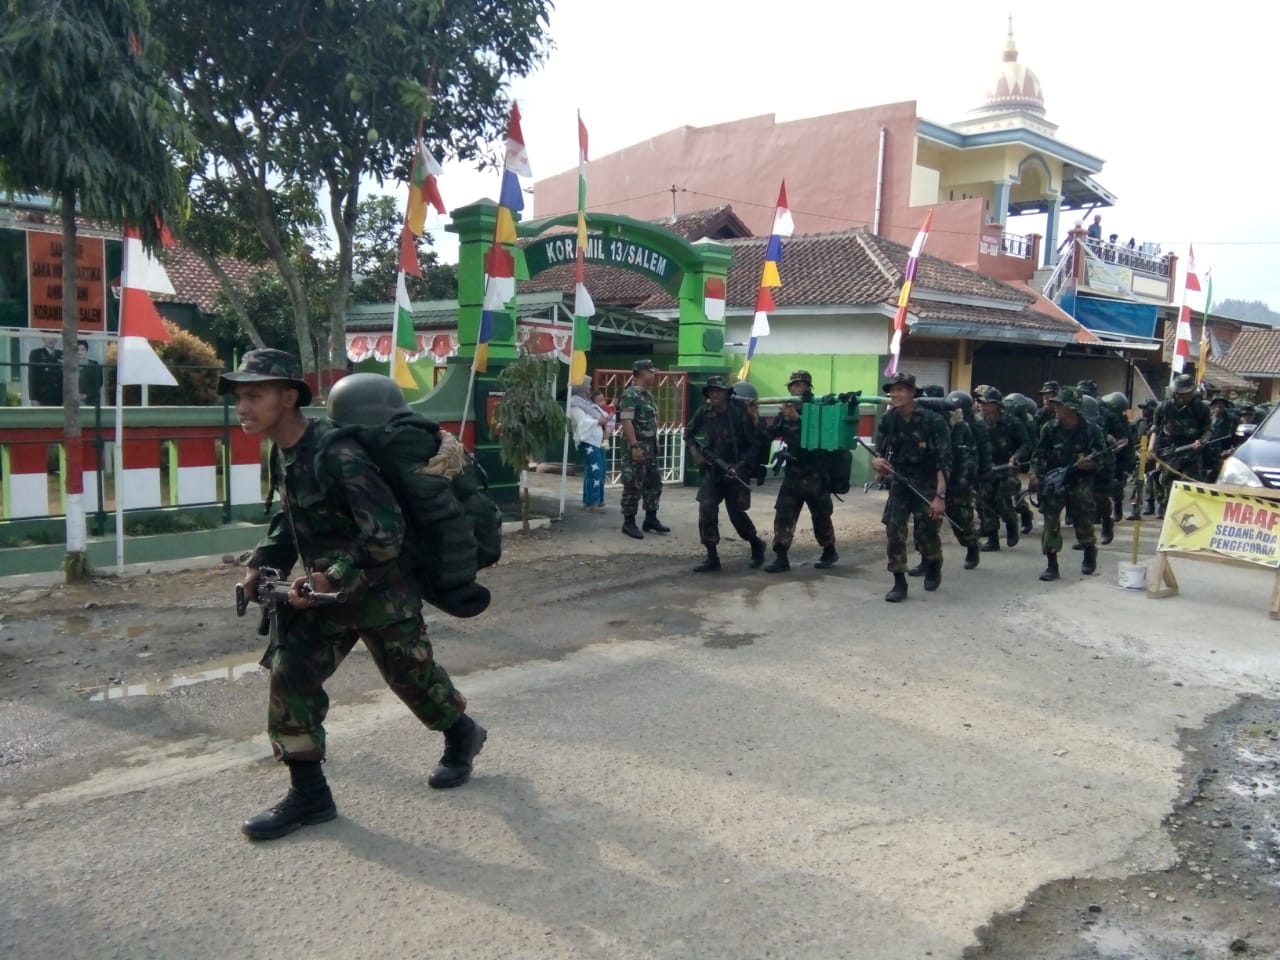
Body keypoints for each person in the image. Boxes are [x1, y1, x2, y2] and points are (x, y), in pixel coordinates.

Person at [222, 349, 485, 842]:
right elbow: (292, 518)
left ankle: (462, 734)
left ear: (288, 397)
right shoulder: (287, 452)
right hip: (324, 598)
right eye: (239, 397)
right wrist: (264, 562)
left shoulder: (339, 454)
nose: (244, 406)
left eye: (254, 395)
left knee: (414, 680)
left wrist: (333, 575)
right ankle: (310, 796)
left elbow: (387, 532)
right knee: (291, 675)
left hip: (380, 592)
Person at [872, 371, 950, 602]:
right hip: (900, 480)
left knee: (926, 531)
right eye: (892, 390)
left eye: (901, 389)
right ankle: (899, 582)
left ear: (912, 392)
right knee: (894, 530)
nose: (895, 394)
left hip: (928, 481)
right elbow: (880, 452)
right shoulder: (889, 420)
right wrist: (878, 463)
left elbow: (944, 462)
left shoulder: (933, 421)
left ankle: (933, 561)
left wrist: (940, 497)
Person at [685, 375, 765, 572]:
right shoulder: (704, 412)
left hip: (737, 470)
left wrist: (739, 467)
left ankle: (756, 544)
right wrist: (696, 453)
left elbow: (754, 445)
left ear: (727, 394)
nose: (715, 395)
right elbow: (688, 433)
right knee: (706, 507)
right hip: (713, 470)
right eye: (712, 391)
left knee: (736, 514)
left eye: (719, 391)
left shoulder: (738, 414)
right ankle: (712, 556)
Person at [762, 370, 837, 573]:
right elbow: (767, 435)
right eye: (794, 385)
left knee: (820, 515)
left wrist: (797, 418)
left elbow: (818, 438)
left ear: (808, 389)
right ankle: (781, 556)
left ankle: (829, 549)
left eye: (802, 385)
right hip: (794, 473)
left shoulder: (817, 409)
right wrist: (754, 418)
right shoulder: (784, 413)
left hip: (815, 473)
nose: (798, 389)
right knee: (784, 513)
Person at [1030, 385, 1104, 581]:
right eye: (1054, 404)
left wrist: (1090, 465)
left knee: (1083, 519)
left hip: (1080, 480)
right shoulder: (1050, 428)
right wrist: (1035, 474)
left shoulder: (1092, 430)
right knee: (1050, 521)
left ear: (1072, 408)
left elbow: (1103, 460)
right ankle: (1052, 565)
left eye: (1059, 404)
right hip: (1054, 481)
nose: (1055, 407)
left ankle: (1089, 550)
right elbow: (1039, 454)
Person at [617, 359, 669, 539]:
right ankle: (628, 522)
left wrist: (655, 442)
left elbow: (652, 422)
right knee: (633, 486)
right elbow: (626, 421)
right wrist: (634, 445)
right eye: (651, 371)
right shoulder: (629, 395)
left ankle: (651, 518)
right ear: (641, 373)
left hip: (650, 450)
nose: (653, 375)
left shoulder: (648, 396)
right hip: (637, 450)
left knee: (654, 484)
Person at [977, 387, 1032, 552]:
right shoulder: (978, 423)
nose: (982, 406)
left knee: (1003, 499)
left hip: (1006, 468)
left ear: (996, 405)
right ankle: (992, 538)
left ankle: (1012, 526)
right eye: (980, 402)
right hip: (986, 468)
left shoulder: (1012, 422)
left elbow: (1026, 443)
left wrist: (1016, 457)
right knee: (985, 501)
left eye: (985, 402)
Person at [1149, 373, 1211, 518]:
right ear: (1176, 393)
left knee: (1190, 486)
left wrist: (1202, 441)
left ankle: (1188, 518)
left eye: (1190, 392)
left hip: (1192, 453)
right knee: (1165, 482)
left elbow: (1208, 429)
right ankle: (1168, 513)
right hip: (1170, 451)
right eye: (1185, 393)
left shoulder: (1201, 408)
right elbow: (1155, 428)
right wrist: (1151, 447)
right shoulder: (1164, 407)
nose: (1189, 395)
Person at [568, 381, 610, 513]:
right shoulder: (575, 404)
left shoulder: (586, 404)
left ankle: (595, 500)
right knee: (594, 472)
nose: (590, 387)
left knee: (600, 471)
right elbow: (582, 421)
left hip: (597, 442)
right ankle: (593, 503)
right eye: (587, 385)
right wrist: (598, 421)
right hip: (589, 442)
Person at [28, 335, 62, 406]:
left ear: (56, 339)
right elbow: (32, 376)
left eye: (53, 337)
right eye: (48, 337)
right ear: (43, 339)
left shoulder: (61, 354)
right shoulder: (36, 353)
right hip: (42, 396)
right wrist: (33, 398)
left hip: (59, 396)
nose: (50, 340)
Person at [76, 340, 103, 405]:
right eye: (77, 350)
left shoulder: (94, 365)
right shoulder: (70, 366)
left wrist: (86, 395)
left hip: (90, 401)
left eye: (82, 350)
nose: (80, 352)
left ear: (87, 351)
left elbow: (99, 383)